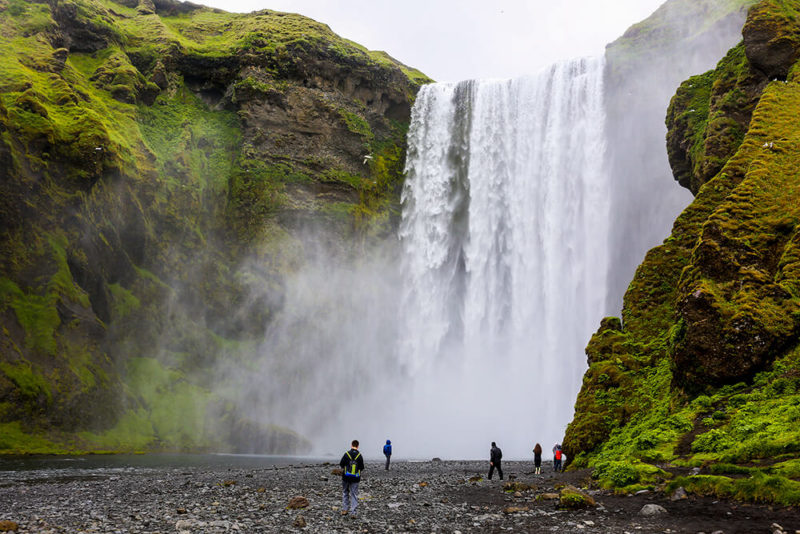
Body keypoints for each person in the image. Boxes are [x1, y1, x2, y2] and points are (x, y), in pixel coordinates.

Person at [339, 440, 365, 516]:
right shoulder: (359, 455)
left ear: (351, 445)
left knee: (345, 492)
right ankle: (353, 512)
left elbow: (341, 464)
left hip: (346, 477)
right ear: (358, 446)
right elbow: (361, 468)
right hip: (355, 478)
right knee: (354, 494)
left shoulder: (346, 454)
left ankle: (345, 509)